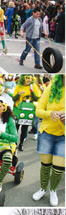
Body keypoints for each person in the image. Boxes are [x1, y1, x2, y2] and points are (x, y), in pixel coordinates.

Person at [32, 75, 65, 207]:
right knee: (45, 166)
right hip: (47, 133)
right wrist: (50, 113)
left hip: (64, 136)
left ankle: (53, 190)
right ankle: (43, 189)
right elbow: (38, 111)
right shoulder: (50, 88)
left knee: (58, 169)